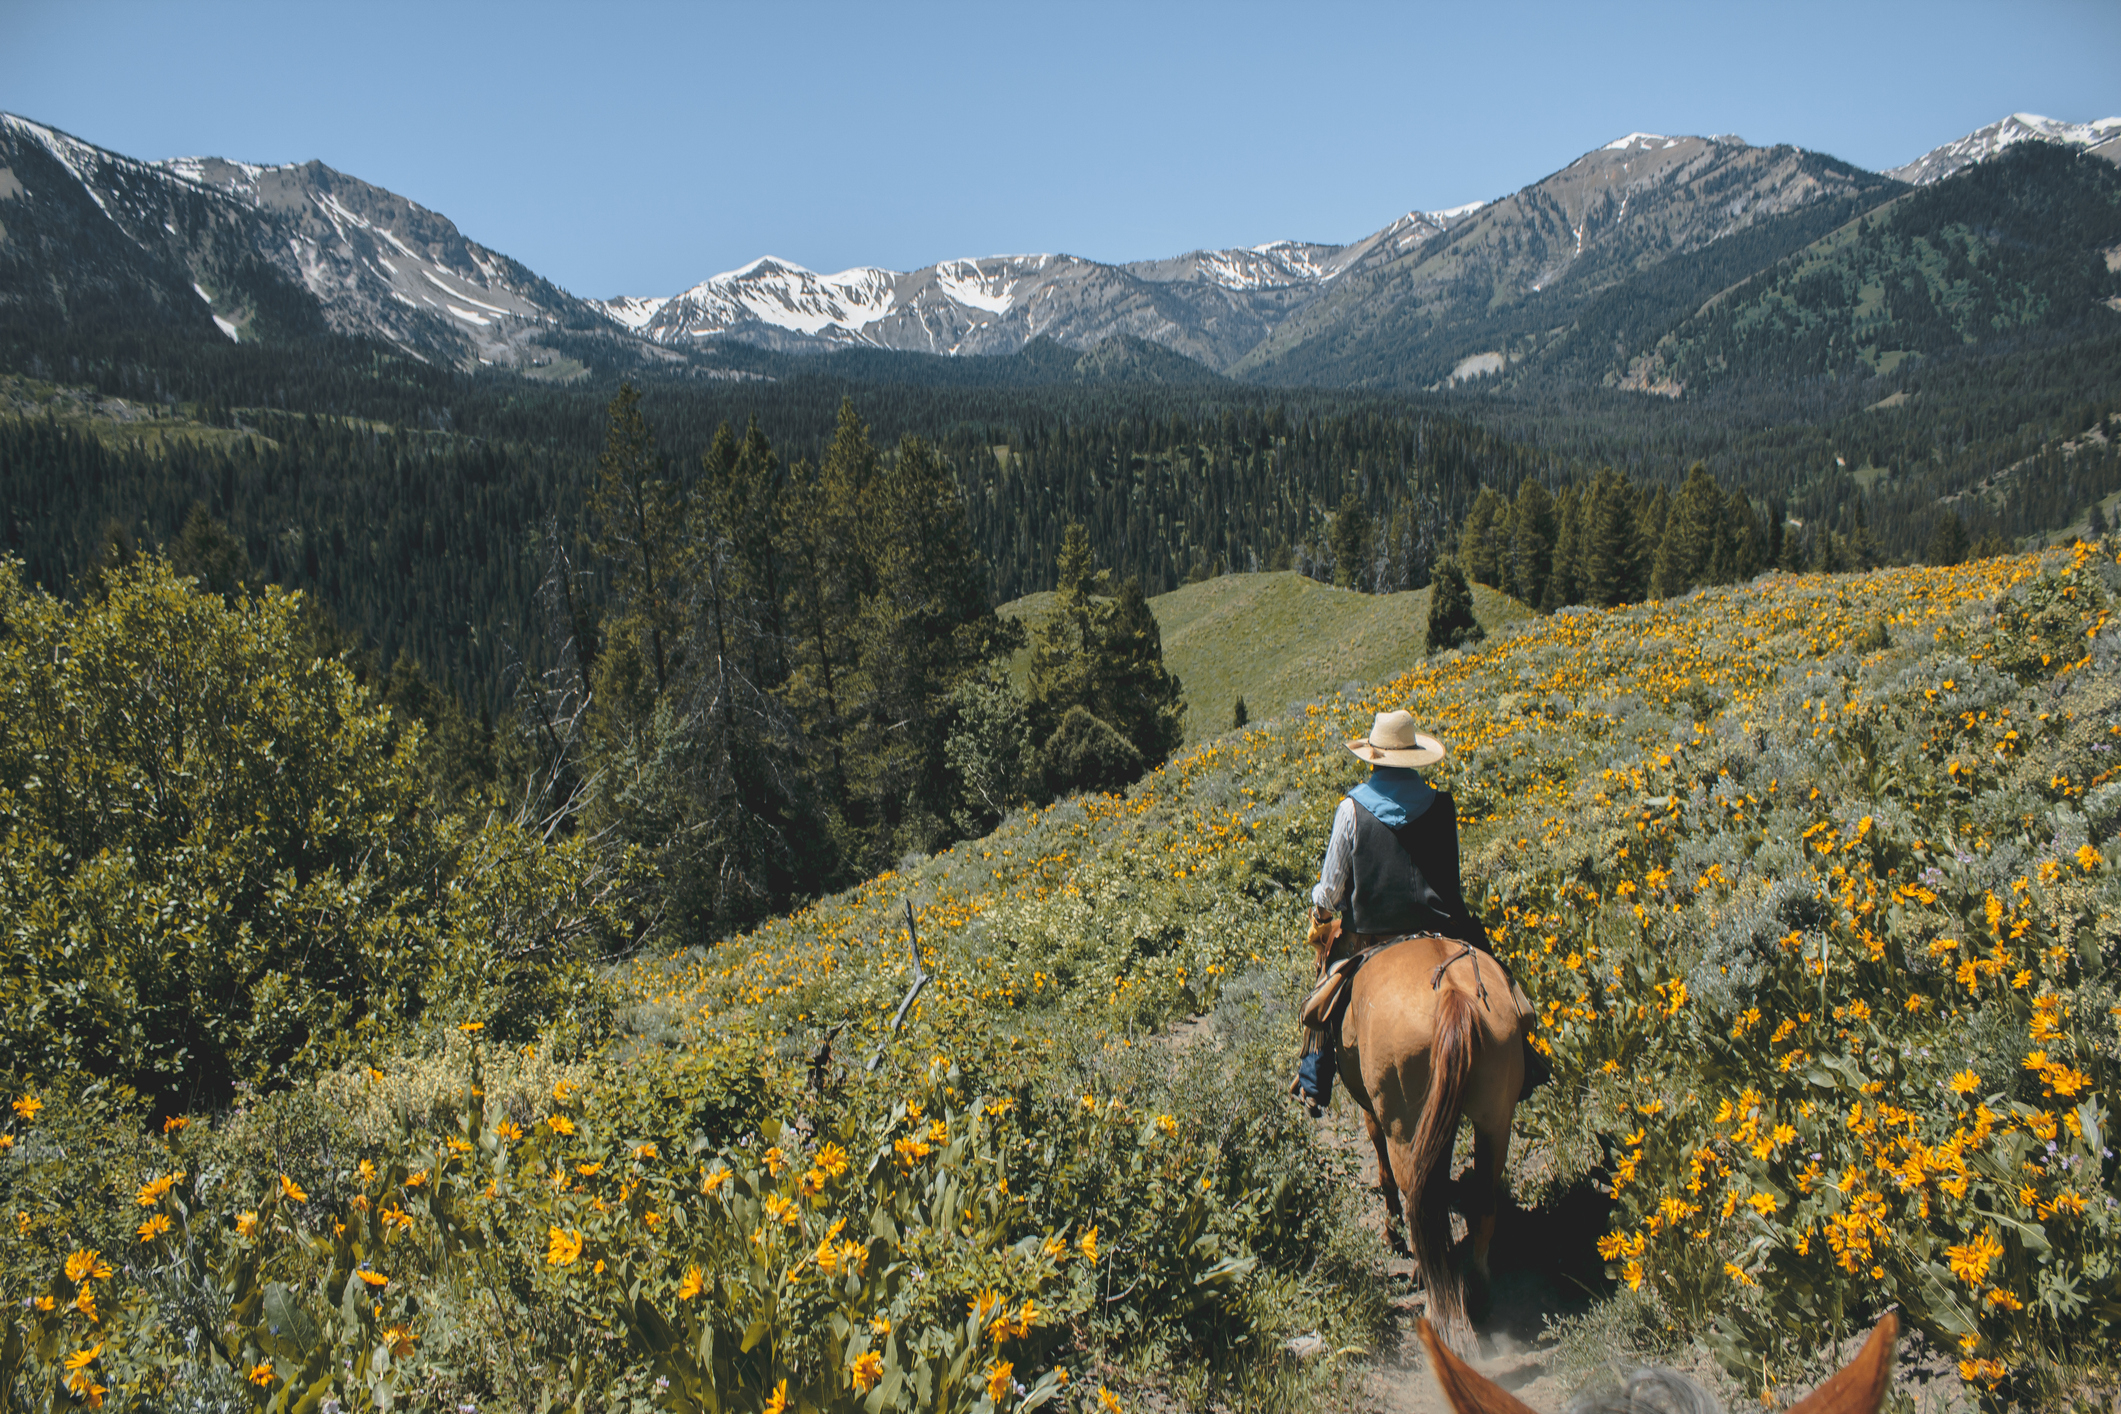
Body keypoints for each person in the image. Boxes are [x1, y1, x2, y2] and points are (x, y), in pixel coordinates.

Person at [1296, 710, 1549, 1106]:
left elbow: (1329, 891)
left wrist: (1322, 917)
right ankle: (1525, 1057)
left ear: (1374, 757)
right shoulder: (1441, 805)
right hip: (1444, 931)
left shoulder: (1351, 810)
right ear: (1413, 757)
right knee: (1502, 983)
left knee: (1325, 990)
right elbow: (1451, 878)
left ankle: (1314, 1075)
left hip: (1372, 935)